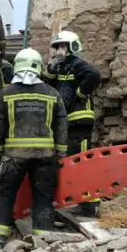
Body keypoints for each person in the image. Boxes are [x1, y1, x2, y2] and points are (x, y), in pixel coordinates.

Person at [0, 48, 68, 250]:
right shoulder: (52, 93)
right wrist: (60, 151)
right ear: (38, 67)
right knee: (43, 199)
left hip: (14, 157)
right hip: (45, 157)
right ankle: (44, 242)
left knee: (5, 195)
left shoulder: (6, 93)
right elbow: (61, 123)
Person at [44, 30, 102, 217]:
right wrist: (51, 70)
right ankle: (79, 201)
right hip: (68, 122)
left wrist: (80, 94)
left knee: (82, 162)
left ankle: (90, 205)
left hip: (80, 120)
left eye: (63, 46)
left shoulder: (77, 63)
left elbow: (94, 75)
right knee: (73, 162)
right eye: (58, 46)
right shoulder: (61, 67)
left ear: (72, 46)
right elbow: (48, 87)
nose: (60, 50)